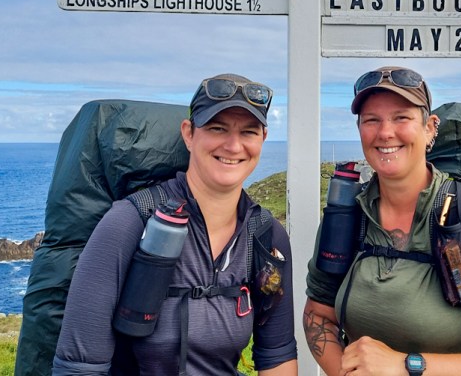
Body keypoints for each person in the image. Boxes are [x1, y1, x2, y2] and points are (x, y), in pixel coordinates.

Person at [303, 66, 461, 376]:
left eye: (401, 117)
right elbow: (318, 313)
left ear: (430, 128)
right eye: (371, 120)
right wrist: (345, 371)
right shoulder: (350, 213)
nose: (385, 132)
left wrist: (406, 366)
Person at [52, 74, 298, 376]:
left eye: (248, 132)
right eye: (217, 128)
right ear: (189, 134)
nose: (234, 146)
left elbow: (277, 353)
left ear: (262, 139)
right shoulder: (130, 222)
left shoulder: (266, 235)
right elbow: (79, 367)